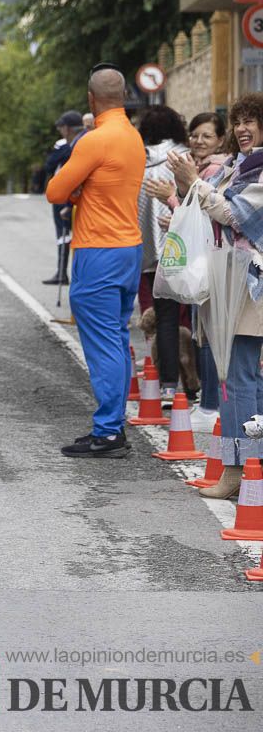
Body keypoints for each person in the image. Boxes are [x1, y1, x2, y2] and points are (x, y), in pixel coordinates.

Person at [46, 65, 145, 457]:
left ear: (91, 99)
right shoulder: (133, 137)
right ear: (124, 97)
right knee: (116, 338)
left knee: (103, 344)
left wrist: (78, 192)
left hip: (98, 250)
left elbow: (56, 191)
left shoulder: (94, 140)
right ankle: (113, 425)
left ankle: (107, 432)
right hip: (129, 248)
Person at [169, 93, 263, 499]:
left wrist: (195, 184)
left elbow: (234, 214)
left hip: (249, 284)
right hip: (230, 280)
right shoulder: (238, 166)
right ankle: (249, 467)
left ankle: (238, 469)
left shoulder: (258, 171)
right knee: (243, 377)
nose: (242, 128)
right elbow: (210, 206)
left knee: (236, 378)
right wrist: (185, 185)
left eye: (251, 121)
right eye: (238, 121)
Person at [146, 112, 231, 431]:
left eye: (207, 136)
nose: (198, 141)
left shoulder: (214, 170)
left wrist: (171, 200)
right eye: (194, 135)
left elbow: (209, 214)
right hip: (197, 256)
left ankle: (210, 403)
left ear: (220, 140)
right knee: (198, 331)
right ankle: (203, 398)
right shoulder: (196, 167)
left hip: (210, 259)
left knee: (207, 334)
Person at [133, 105, 189, 403]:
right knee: (194, 317)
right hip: (184, 246)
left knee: (164, 318)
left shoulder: (137, 160)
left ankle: (168, 385)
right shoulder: (183, 156)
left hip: (148, 250)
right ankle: (198, 384)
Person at [42, 111, 85, 285]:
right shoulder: (68, 144)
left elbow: (51, 164)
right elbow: (49, 164)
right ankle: (63, 272)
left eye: (61, 127)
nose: (60, 130)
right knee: (67, 235)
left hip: (68, 197)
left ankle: (65, 273)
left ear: (67, 129)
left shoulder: (75, 145)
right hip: (68, 196)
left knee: (67, 234)